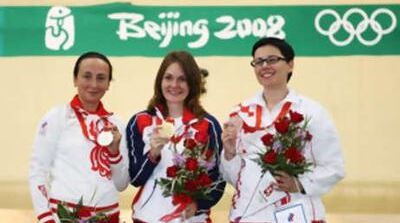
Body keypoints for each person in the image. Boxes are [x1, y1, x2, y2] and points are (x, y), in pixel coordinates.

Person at [220, 37, 345, 223]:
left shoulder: (311, 112)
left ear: (290, 64)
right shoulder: (240, 114)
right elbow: (235, 178)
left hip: (297, 213)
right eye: (258, 61)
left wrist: (299, 183)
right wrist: (229, 154)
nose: (264, 66)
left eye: (272, 60)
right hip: (250, 215)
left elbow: (334, 167)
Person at [125, 51, 226, 223]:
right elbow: (135, 179)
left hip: (191, 219)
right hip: (147, 218)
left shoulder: (208, 124)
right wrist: (153, 154)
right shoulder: (141, 121)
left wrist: (197, 204)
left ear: (193, 83)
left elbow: (218, 177)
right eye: (168, 77)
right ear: (160, 81)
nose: (174, 85)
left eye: (182, 79)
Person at [29, 52, 129, 223]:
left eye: (101, 78)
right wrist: (46, 218)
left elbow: (121, 184)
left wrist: (114, 153)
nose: (93, 84)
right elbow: (37, 171)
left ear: (108, 84)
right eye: (87, 76)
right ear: (75, 79)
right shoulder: (56, 117)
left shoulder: (116, 124)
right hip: (64, 216)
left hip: (108, 216)